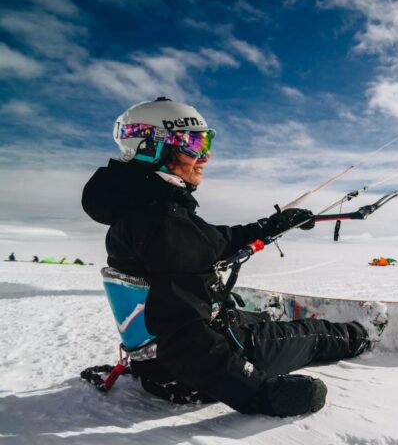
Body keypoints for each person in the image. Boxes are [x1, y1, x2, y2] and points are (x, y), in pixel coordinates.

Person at [82, 97, 380, 417]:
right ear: (151, 147)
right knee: (315, 335)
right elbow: (186, 343)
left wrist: (272, 226)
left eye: (206, 141)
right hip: (193, 375)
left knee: (261, 322)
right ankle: (368, 333)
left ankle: (264, 322)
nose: (205, 156)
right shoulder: (166, 223)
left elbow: (211, 242)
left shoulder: (139, 210)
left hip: (160, 365)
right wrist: (262, 395)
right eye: (194, 143)